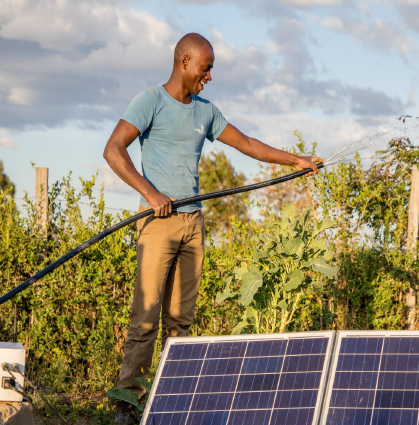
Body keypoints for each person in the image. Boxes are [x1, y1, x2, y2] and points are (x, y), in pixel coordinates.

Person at [103, 32, 322, 404]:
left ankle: (172, 402)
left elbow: (247, 144)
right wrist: (151, 193)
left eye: (212, 69)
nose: (209, 76)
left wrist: (296, 160)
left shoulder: (206, 110)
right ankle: (128, 402)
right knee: (145, 318)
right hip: (158, 223)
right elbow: (112, 150)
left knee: (180, 321)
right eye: (206, 68)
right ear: (184, 62)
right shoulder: (150, 101)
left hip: (193, 224)